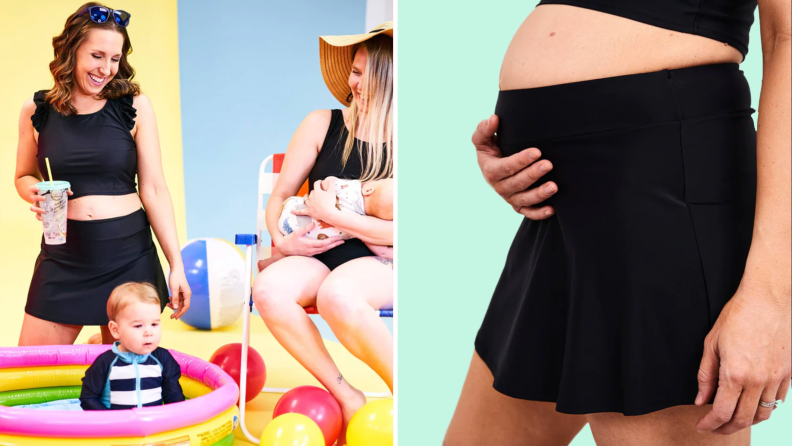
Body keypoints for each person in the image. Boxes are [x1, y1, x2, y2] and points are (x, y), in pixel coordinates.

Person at [445, 1, 791, 445]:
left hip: (662, 190)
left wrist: (772, 298)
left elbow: (788, 36)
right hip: (561, 215)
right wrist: (518, 145)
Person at [13, 2, 191, 347]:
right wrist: (33, 191)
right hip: (64, 256)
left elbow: (153, 189)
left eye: (114, 58)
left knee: (125, 380)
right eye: (97, 55)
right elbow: (23, 175)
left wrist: (176, 265)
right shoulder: (36, 111)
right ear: (72, 50)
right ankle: (100, 349)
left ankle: (102, 350)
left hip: (128, 256)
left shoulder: (135, 106)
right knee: (29, 378)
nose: (107, 68)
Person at [252, 22, 394, 444]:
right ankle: (345, 394)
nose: (357, 83)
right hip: (317, 254)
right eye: (354, 70)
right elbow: (278, 200)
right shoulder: (321, 123)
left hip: (383, 260)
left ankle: (408, 391)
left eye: (369, 75)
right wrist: (283, 241)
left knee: (338, 294)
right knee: (269, 290)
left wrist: (334, 214)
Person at [80, 282, 185, 410]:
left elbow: (174, 396)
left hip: (153, 426)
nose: (149, 332)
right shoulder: (106, 363)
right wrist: (110, 421)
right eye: (138, 326)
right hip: (117, 427)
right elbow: (88, 398)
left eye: (154, 324)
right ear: (116, 330)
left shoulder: (163, 359)